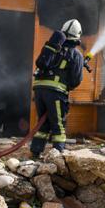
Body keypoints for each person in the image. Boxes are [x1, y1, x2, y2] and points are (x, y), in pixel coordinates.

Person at [30, 19, 85, 158]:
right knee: (58, 124)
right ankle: (58, 155)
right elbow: (76, 80)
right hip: (55, 93)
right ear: (77, 36)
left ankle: (35, 152)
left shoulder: (53, 48)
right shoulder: (76, 54)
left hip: (39, 90)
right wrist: (67, 86)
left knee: (42, 124)